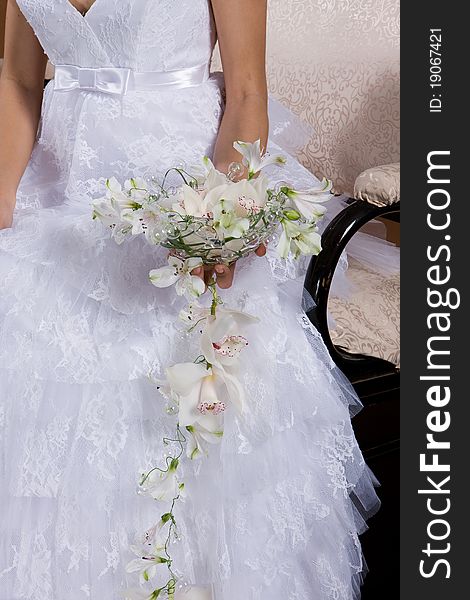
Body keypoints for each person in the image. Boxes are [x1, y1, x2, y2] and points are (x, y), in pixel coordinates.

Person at [0, 1, 381, 598]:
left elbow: (248, 91)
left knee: (183, 376)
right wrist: (2, 202)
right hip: (58, 191)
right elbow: (18, 80)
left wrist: (221, 221)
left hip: (184, 190)